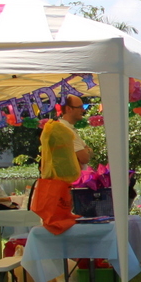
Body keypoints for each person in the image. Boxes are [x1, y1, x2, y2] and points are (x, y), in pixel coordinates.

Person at [29, 94, 92, 234]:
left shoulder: (63, 128)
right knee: (71, 228)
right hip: (68, 189)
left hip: (64, 188)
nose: (83, 110)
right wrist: (87, 150)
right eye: (80, 107)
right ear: (69, 109)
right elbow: (84, 157)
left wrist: (86, 151)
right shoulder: (64, 131)